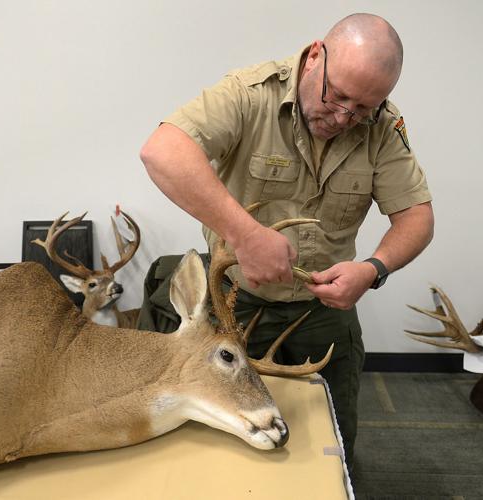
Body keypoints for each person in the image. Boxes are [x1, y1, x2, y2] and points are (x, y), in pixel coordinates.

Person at [139, 13, 434, 467]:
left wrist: (373, 270)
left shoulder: (381, 125)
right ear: (315, 55)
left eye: (360, 109)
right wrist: (244, 235)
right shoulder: (248, 94)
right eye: (336, 97)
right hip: (233, 304)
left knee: (331, 442)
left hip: (323, 312)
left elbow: (417, 217)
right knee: (220, 442)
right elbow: (162, 151)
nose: (342, 117)